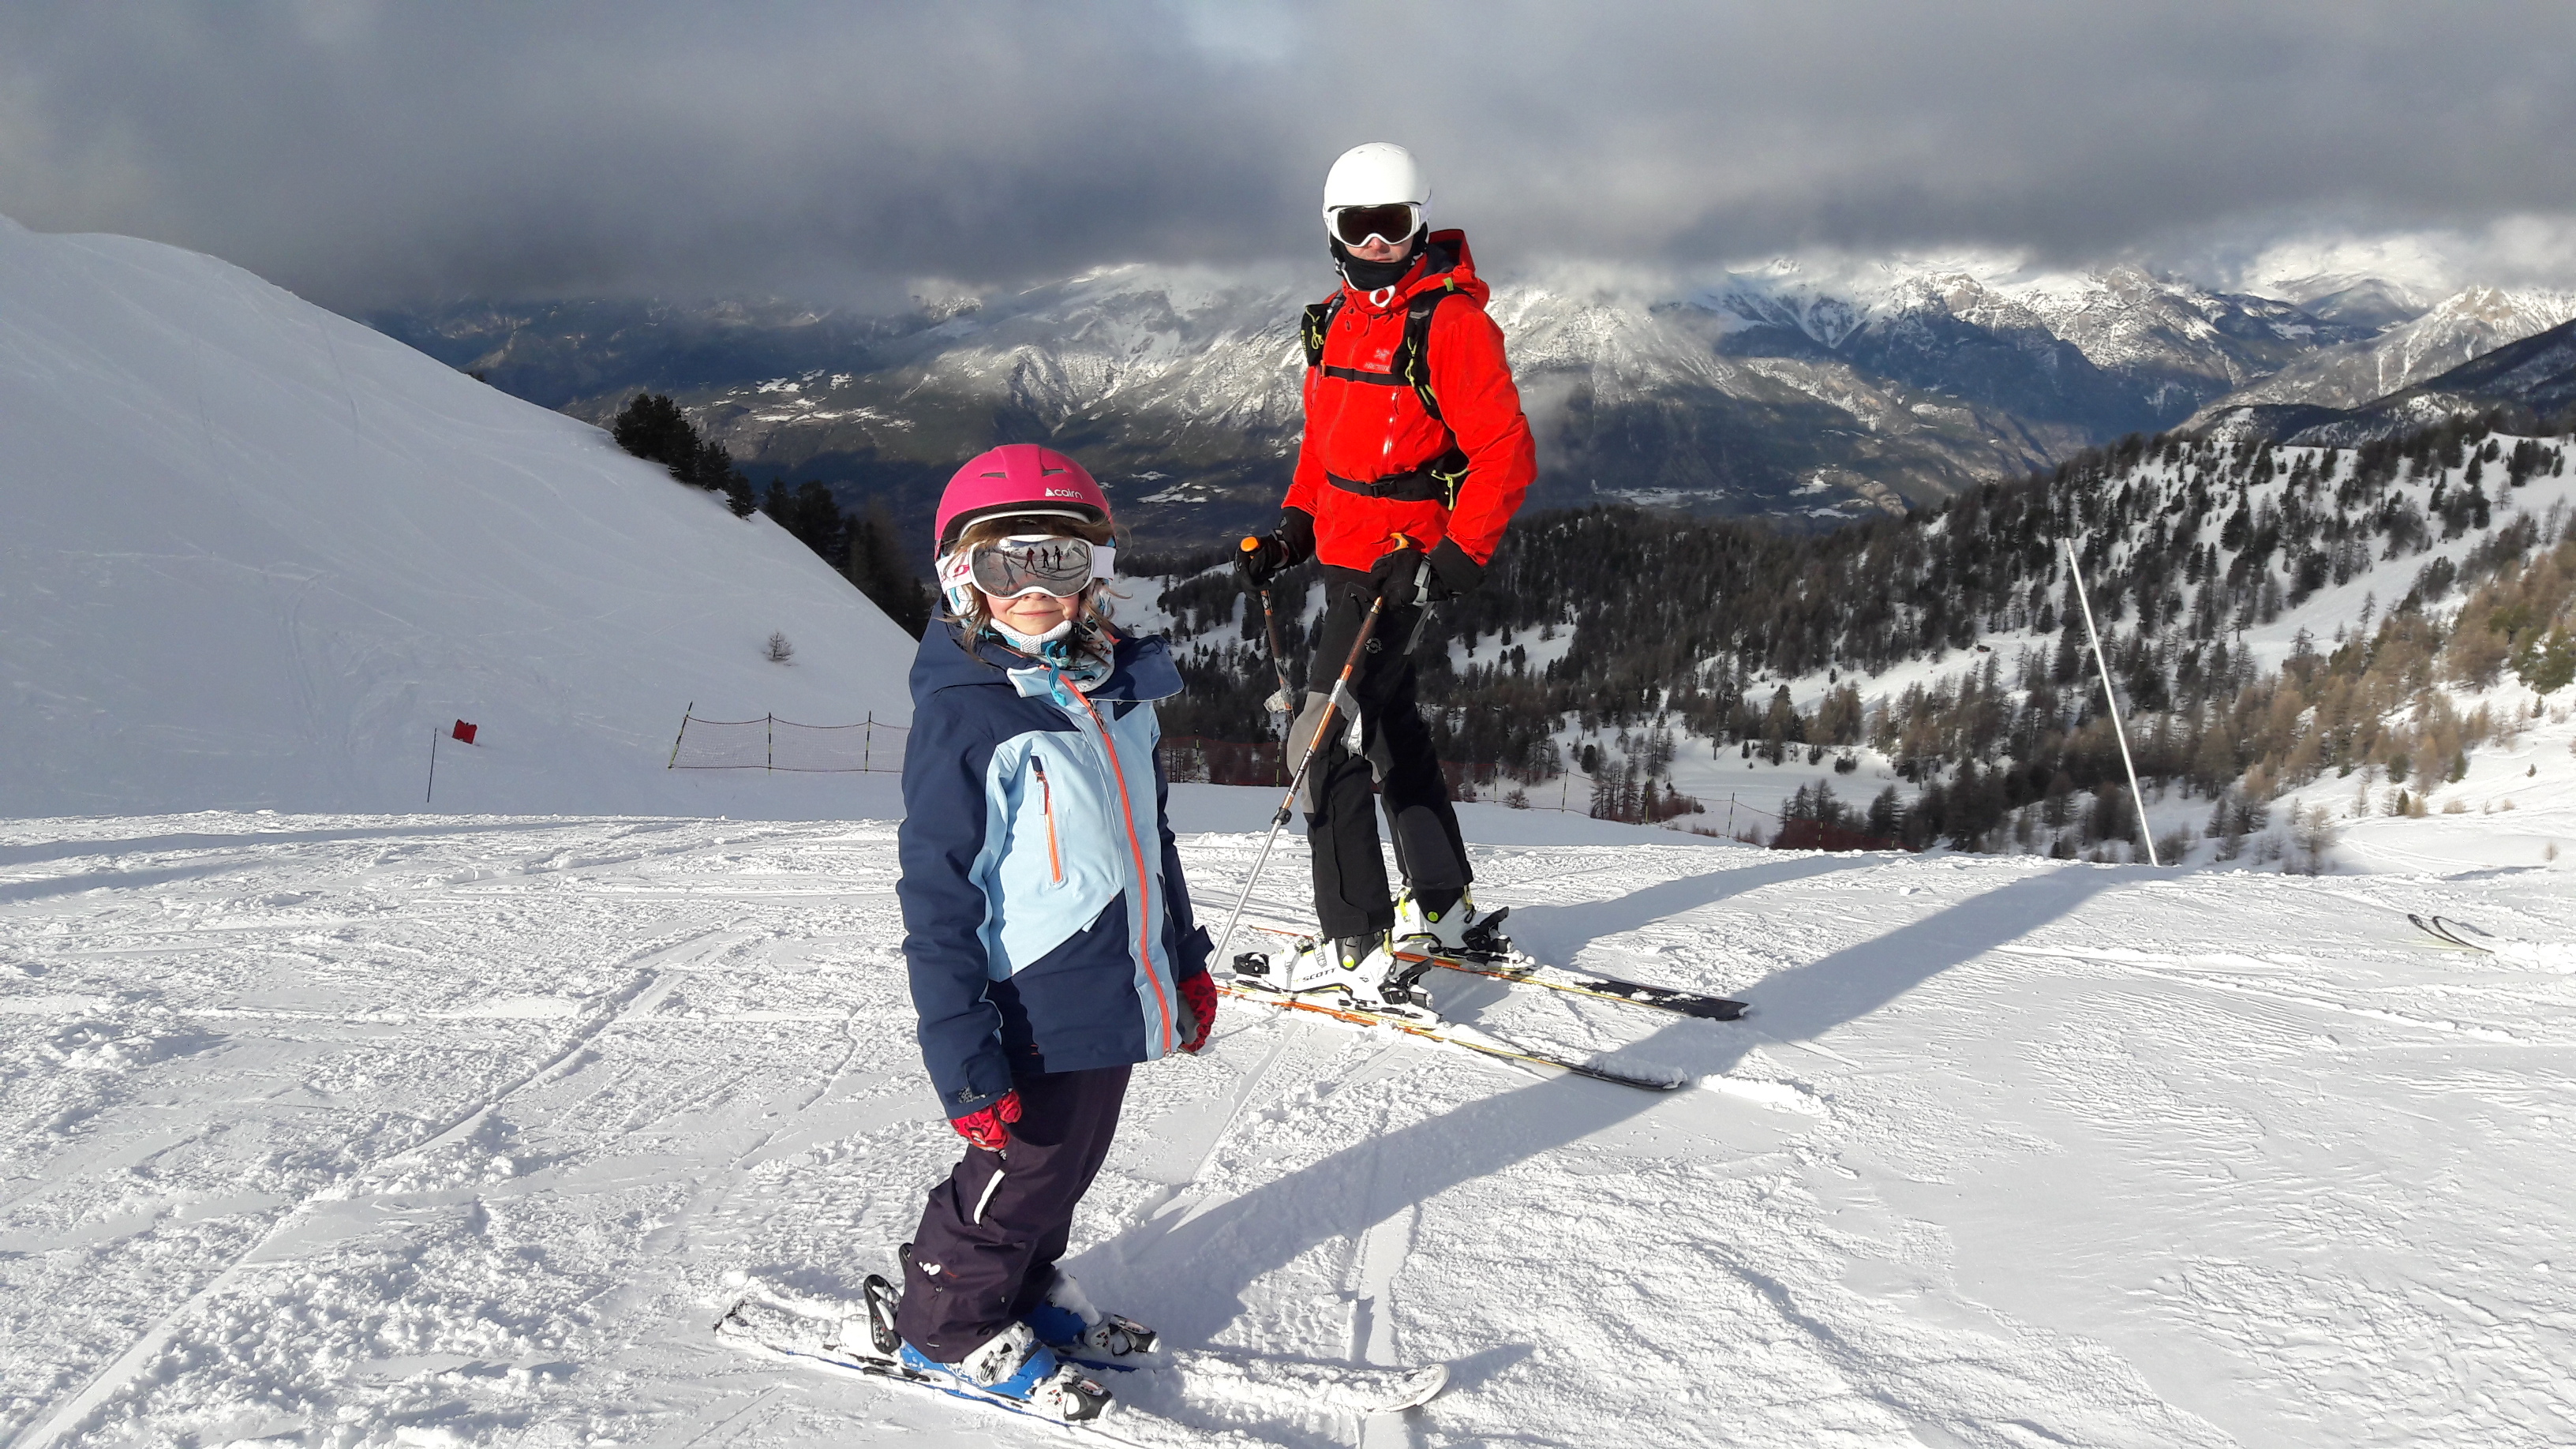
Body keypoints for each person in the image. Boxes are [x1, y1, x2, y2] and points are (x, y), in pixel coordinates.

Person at [890, 443, 1219, 1421]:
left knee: (1071, 1160)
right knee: (1019, 1167)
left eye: (1060, 561)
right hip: (1027, 1001)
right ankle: (945, 1325)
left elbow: (1152, 845)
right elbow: (937, 896)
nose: (1035, 587)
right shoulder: (967, 715)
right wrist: (963, 1055)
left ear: (1095, 574)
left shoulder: (1117, 694)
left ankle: (1022, 1285)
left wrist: (1183, 964)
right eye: (1008, 565)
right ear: (965, 578)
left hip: (1114, 984)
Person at [1237, 142, 1537, 1006]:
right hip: (1344, 553)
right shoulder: (1334, 319)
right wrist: (1293, 530)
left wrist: (1455, 558)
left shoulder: (1450, 322)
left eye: (1393, 225)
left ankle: (1355, 941)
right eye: (1359, 227)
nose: (1377, 243)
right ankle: (1441, 905)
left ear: (1420, 224)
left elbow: (1506, 453)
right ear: (1333, 230)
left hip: (1401, 565)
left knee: (1321, 735)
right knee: (1389, 722)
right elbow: (1326, 450)